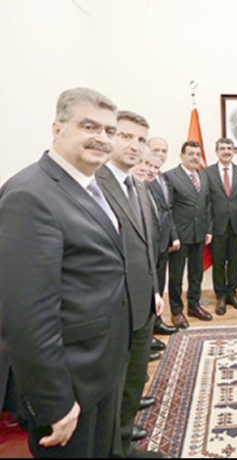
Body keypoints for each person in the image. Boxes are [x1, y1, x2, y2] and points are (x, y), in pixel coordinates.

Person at [0, 87, 130, 458]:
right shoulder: (30, 195)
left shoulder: (91, 186)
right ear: (58, 129)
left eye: (109, 130)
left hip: (100, 368)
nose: (102, 138)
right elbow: (26, 317)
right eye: (89, 126)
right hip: (68, 385)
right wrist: (54, 403)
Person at [95, 110, 163, 457]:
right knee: (113, 389)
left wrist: (155, 290)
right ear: (110, 136)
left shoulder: (137, 185)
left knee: (133, 383)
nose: (135, 145)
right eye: (126, 136)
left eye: (141, 139)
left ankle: (122, 445)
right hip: (114, 309)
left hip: (143, 304)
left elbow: (145, 246)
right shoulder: (95, 184)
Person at [165, 141, 213, 328]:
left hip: (199, 233)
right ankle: (177, 311)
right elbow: (167, 208)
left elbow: (207, 204)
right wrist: (173, 235)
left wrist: (208, 229)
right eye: (191, 153)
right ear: (182, 156)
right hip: (180, 236)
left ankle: (194, 305)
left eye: (197, 154)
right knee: (176, 276)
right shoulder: (170, 176)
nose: (195, 157)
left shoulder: (204, 175)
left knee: (196, 273)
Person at [205, 138, 237, 314]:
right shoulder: (207, 173)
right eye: (222, 148)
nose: (226, 151)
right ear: (216, 152)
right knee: (218, 263)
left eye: (229, 148)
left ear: (233, 151)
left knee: (234, 261)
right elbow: (206, 203)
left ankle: (232, 293)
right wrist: (208, 228)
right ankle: (221, 296)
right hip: (217, 226)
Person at [145, 138, 179, 336]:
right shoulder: (143, 177)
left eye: (164, 150)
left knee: (159, 283)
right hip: (150, 241)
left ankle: (157, 322)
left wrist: (173, 236)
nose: (160, 153)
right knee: (149, 286)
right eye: (156, 149)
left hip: (164, 240)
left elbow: (168, 210)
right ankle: (148, 329)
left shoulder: (164, 178)